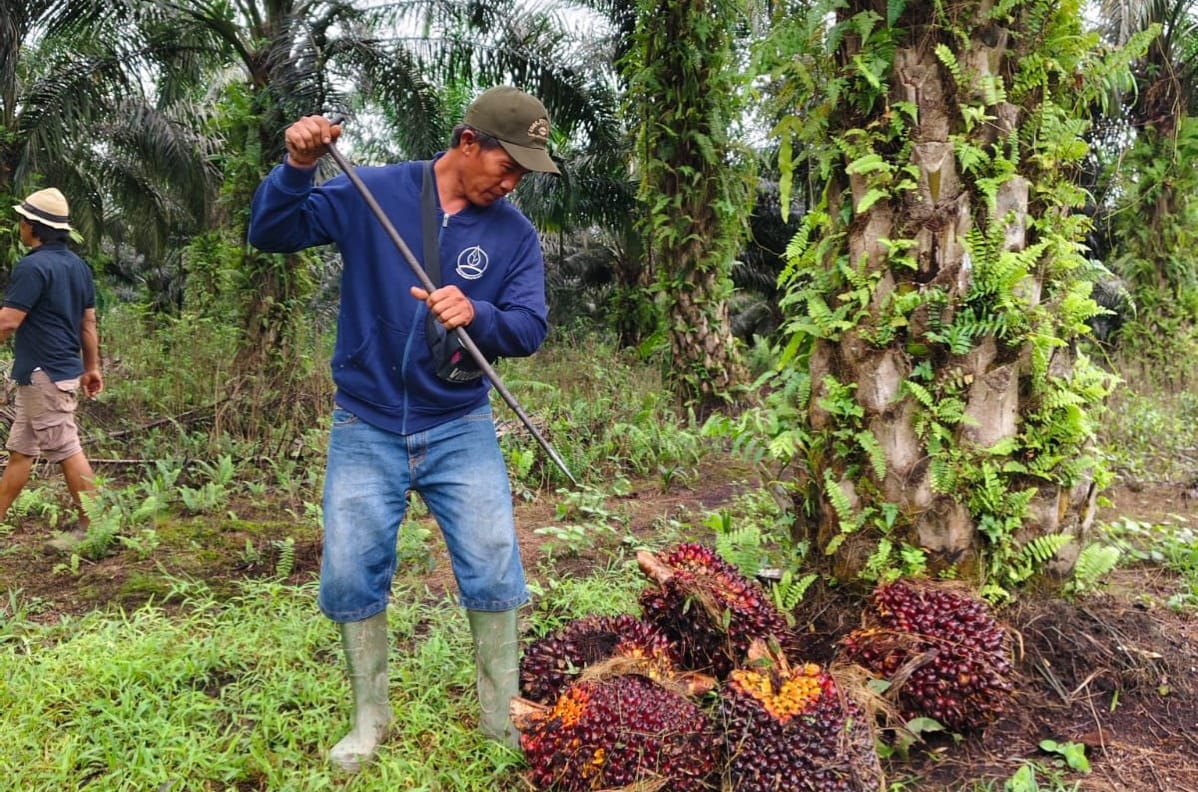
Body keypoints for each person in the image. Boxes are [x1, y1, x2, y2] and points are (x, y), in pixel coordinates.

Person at [247, 85, 560, 770]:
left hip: (459, 423)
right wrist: (297, 168)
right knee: (351, 569)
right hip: (367, 420)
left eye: (523, 176)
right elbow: (271, 232)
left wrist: (477, 312)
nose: (512, 185)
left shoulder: (514, 235)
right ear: (467, 142)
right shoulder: (375, 191)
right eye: (508, 166)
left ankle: (498, 715)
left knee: (492, 563)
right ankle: (369, 715)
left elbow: (530, 327)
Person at [0, 188, 103, 548]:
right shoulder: (78, 267)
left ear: (33, 226)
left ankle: (94, 526)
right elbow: (88, 323)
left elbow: (9, 321)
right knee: (22, 450)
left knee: (65, 448)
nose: (20, 226)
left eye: (22, 220)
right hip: (52, 373)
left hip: (44, 373)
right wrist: (91, 367)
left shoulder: (32, 266)